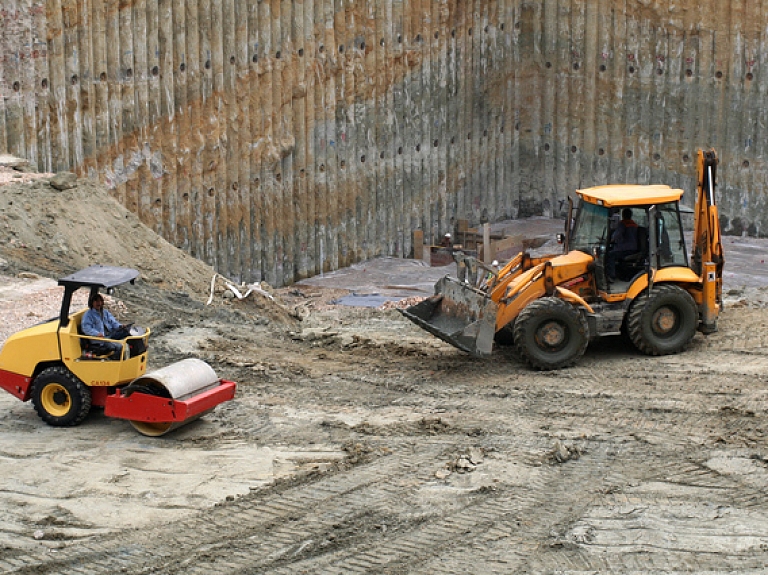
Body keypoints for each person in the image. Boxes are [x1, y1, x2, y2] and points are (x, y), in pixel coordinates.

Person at [81, 293, 129, 359]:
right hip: (100, 340)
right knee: (119, 347)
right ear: (92, 302)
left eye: (100, 301)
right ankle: (116, 365)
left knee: (127, 332)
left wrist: (120, 326)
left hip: (110, 334)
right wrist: (97, 334)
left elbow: (113, 322)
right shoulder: (88, 315)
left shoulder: (104, 312)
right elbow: (86, 328)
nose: (99, 303)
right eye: (96, 301)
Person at [606, 208, 639, 280]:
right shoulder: (634, 224)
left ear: (623, 215)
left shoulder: (623, 224)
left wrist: (611, 240)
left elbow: (616, 235)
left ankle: (611, 276)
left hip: (625, 249)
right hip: (634, 249)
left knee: (609, 255)